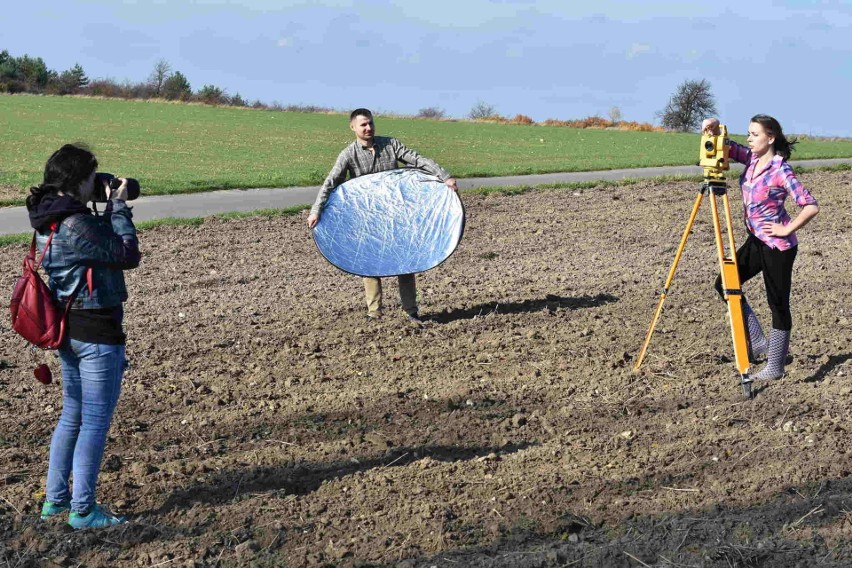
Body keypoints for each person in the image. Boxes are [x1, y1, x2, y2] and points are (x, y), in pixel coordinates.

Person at [26, 143, 141, 529]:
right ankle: (83, 510)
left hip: (69, 328)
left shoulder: (50, 217)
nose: (98, 184)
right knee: (93, 421)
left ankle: (55, 502)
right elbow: (126, 254)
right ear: (78, 181)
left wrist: (104, 208)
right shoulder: (76, 223)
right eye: (93, 178)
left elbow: (98, 249)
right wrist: (120, 207)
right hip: (96, 332)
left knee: (72, 416)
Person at [308, 108, 458, 324]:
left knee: (405, 263)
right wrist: (316, 210)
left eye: (370, 123)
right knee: (369, 264)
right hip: (367, 220)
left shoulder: (391, 145)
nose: (368, 128)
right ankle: (374, 313)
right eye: (363, 125)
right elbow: (331, 182)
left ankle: (411, 312)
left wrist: (444, 176)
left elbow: (417, 160)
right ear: (353, 128)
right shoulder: (349, 154)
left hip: (397, 217)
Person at [701, 115, 819, 380]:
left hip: (778, 246)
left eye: (755, 134)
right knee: (725, 284)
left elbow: (810, 205)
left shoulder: (781, 169)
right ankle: (758, 341)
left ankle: (775, 367)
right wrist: (714, 126)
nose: (749, 139)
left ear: (771, 138)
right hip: (756, 241)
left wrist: (787, 229)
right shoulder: (752, 159)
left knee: (777, 304)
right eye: (749, 134)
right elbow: (727, 147)